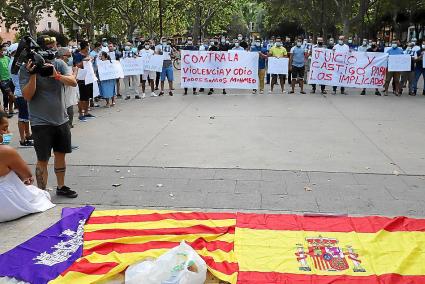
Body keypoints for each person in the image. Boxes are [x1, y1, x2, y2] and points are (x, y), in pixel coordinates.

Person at [20, 35, 78, 198]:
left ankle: (61, 186)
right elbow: (27, 96)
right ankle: (41, 193)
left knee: (61, 154)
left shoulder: (58, 63)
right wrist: (33, 74)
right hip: (40, 123)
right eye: (47, 47)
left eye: (52, 47)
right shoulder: (26, 68)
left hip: (61, 119)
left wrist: (56, 75)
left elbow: (73, 82)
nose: (49, 51)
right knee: (42, 159)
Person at [0, 109, 55, 222]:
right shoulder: (5, 152)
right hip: (6, 204)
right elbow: (27, 175)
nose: (8, 132)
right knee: (42, 195)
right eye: (4, 129)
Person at [7, 43, 33, 147]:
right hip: (21, 93)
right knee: (22, 117)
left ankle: (27, 135)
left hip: (21, 93)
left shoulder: (16, 62)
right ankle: (23, 139)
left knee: (25, 117)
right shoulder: (16, 64)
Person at [57, 47, 80, 125]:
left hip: (68, 94)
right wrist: (75, 72)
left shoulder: (65, 65)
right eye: (69, 56)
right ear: (63, 56)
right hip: (63, 95)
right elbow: (70, 81)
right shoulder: (60, 65)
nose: (70, 58)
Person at [74, 40, 95, 121]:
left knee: (87, 96)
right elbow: (76, 65)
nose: (88, 47)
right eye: (88, 46)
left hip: (89, 78)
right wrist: (84, 60)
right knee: (82, 97)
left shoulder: (88, 54)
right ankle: (80, 113)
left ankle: (86, 112)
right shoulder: (77, 55)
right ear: (85, 46)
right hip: (81, 79)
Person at [0, 45, 14, 118]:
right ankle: (5, 110)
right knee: (6, 94)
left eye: (4, 50)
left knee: (10, 94)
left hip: (9, 79)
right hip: (2, 80)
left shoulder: (7, 58)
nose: (3, 52)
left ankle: (10, 109)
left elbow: (10, 67)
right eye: (2, 50)